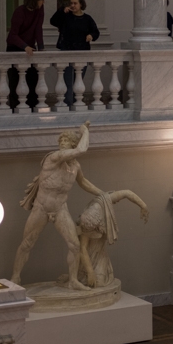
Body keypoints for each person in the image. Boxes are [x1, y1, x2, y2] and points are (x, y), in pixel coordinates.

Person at [11, 120, 104, 290]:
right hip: (41, 207)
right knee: (27, 243)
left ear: (73, 144)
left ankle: (73, 281)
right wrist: (84, 131)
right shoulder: (53, 158)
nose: (62, 143)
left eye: (66, 141)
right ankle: (15, 278)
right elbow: (82, 150)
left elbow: (83, 182)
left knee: (74, 245)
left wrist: (102, 194)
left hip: (60, 208)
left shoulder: (75, 166)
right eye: (61, 140)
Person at [50, 0, 100, 107]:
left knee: (78, 79)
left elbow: (96, 32)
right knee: (67, 80)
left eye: (75, 3)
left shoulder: (87, 19)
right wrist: (61, 10)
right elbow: (53, 21)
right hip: (66, 50)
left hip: (82, 51)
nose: (72, 5)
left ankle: (76, 102)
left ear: (81, 4)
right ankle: (68, 104)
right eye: (71, 3)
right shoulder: (66, 16)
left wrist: (91, 36)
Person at [6, 0, 47, 109]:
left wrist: (41, 48)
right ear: (35, 0)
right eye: (41, 0)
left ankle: (32, 107)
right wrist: (24, 46)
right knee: (15, 80)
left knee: (33, 79)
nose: (43, 2)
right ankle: (15, 108)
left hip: (30, 49)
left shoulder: (40, 10)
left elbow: (38, 28)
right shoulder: (20, 11)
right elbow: (13, 35)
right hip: (15, 48)